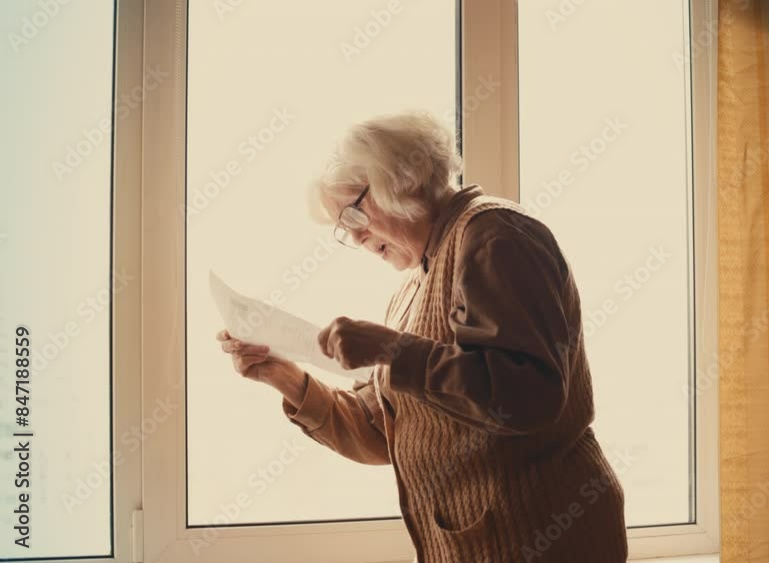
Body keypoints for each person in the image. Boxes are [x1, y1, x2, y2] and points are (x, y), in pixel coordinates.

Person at [217, 111, 627, 562]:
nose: (354, 237)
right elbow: (382, 432)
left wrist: (390, 348)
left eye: (355, 213)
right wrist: (286, 379)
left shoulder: (494, 237)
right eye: (342, 227)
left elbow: (527, 397)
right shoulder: (413, 286)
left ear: (403, 178)